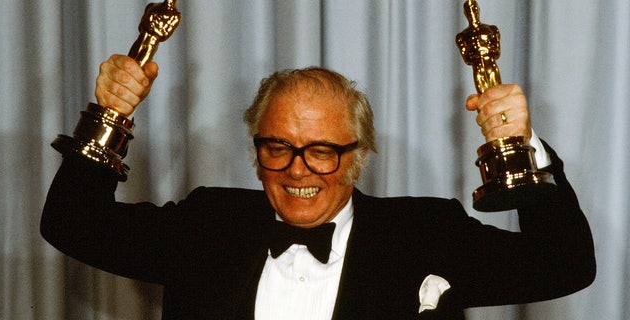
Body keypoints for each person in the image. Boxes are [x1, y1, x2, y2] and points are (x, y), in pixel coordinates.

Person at [41, 54, 595, 320]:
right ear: (257, 151)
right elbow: (72, 223)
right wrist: (111, 113)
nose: (298, 169)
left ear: (358, 157)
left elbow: (565, 263)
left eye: (323, 151)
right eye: (277, 146)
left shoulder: (424, 233)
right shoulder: (206, 224)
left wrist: (521, 146)